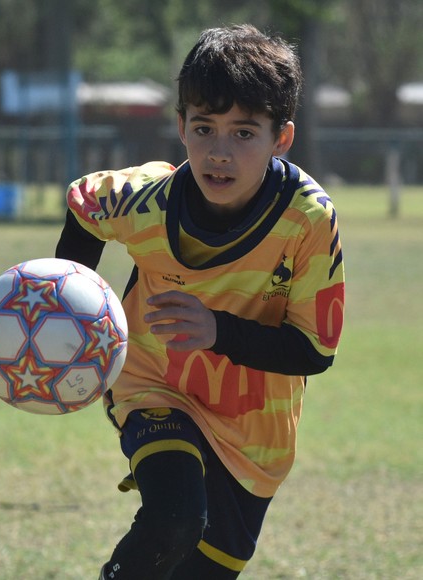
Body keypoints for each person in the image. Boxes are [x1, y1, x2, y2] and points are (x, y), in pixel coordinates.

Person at [55, 25, 344, 579]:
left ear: (281, 138)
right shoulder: (146, 197)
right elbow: (85, 206)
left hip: (255, 431)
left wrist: (218, 330)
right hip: (152, 383)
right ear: (181, 125)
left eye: (243, 133)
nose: (219, 152)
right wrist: (70, 307)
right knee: (174, 519)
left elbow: (313, 352)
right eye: (204, 128)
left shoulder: (307, 220)